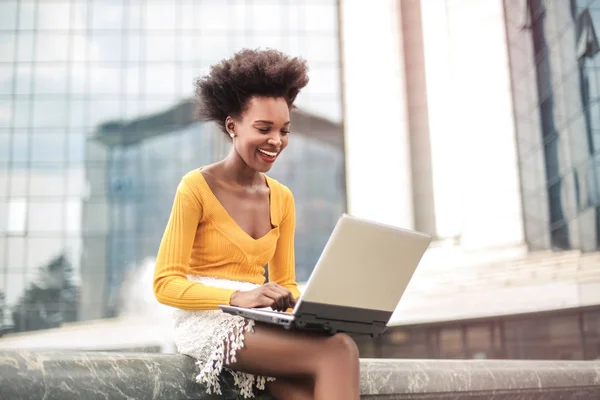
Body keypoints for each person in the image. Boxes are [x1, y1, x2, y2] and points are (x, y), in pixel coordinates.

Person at [153, 49, 360, 400]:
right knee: (339, 350)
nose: (276, 141)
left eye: (284, 130)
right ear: (232, 126)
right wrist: (239, 296)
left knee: (311, 387)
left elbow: (285, 285)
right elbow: (165, 284)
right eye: (264, 129)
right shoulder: (195, 187)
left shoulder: (282, 198)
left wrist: (313, 309)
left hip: (259, 323)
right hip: (208, 321)